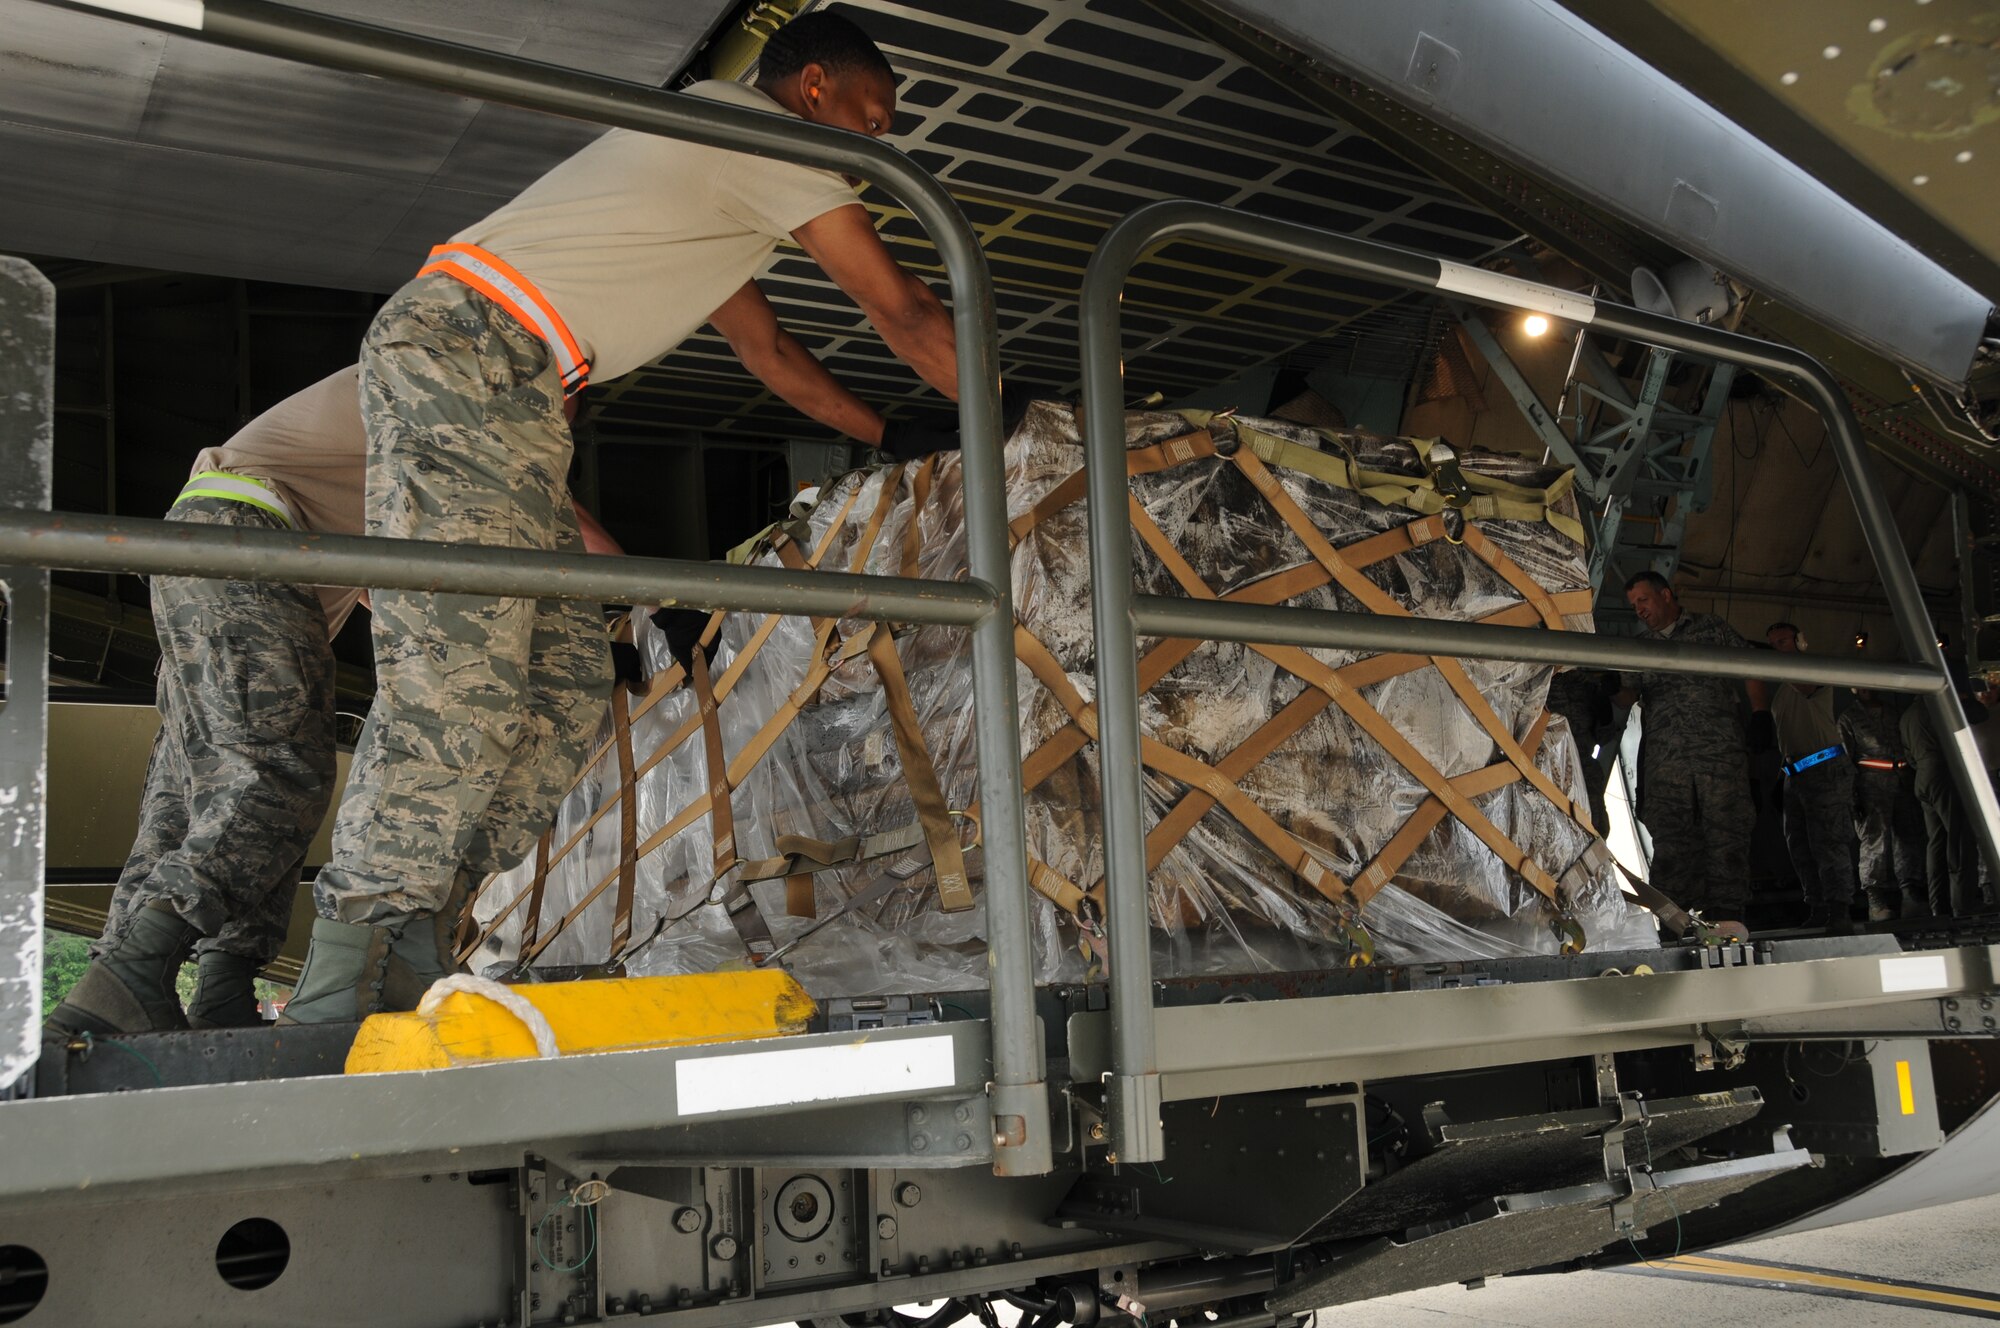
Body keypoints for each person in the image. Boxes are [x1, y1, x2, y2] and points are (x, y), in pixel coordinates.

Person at [281, 10, 977, 1022]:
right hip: (469, 346)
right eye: (871, 120)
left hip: (519, 382)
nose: (872, 152)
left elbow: (768, 352)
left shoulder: (711, 180)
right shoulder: (763, 135)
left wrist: (890, 432)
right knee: (457, 675)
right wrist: (1013, 416)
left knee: (565, 686)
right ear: (814, 87)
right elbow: (901, 306)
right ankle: (345, 968)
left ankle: (415, 932)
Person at [39, 368, 634, 1039]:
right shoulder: (466, 380)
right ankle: (130, 974)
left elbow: (406, 600)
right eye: (566, 409)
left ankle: (214, 984)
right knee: (278, 773)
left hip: (224, 557)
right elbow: (567, 527)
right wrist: (633, 604)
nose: (559, 429)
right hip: (245, 541)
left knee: (211, 800)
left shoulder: (383, 465)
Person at [1620, 572, 1768, 929]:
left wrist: (1761, 714)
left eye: (1643, 600)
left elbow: (1752, 667)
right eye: (1633, 605)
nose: (1639, 610)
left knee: (1727, 836)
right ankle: (1673, 928)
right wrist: (1607, 691)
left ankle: (1730, 924)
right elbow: (1626, 695)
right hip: (1667, 767)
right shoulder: (1642, 646)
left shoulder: (1711, 629)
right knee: (1671, 847)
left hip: (1719, 759)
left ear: (1666, 595)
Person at [1762, 623, 1860, 930]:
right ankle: (1818, 907)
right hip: (1795, 775)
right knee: (1800, 846)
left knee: (1830, 842)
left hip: (1824, 768)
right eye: (1773, 644)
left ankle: (1840, 909)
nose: (1778, 647)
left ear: (1800, 642)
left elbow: (1805, 688)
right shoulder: (1780, 691)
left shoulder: (1812, 671)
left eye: (1783, 641)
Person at [1902, 667, 1991, 918]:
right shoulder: (1940, 705)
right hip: (1944, 773)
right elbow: (1979, 713)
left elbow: (1908, 754)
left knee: (1936, 843)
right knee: (1960, 839)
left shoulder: (1908, 715)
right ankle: (1963, 904)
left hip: (1922, 777)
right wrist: (1962, 696)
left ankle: (1938, 906)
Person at [1839, 687, 1928, 921]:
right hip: (1870, 785)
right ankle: (1875, 899)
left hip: (1901, 780)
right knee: (1874, 841)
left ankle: (1910, 891)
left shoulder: (1894, 712)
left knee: (1908, 837)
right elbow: (1844, 759)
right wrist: (1852, 796)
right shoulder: (1849, 718)